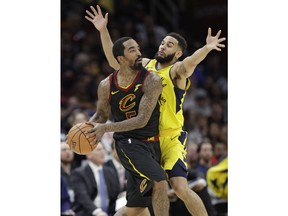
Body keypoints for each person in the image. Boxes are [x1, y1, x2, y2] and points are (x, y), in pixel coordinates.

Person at [85, 4, 225, 215]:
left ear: (177, 53)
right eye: (162, 42)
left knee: (179, 188)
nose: (162, 46)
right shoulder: (146, 66)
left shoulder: (176, 72)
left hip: (170, 138)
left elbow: (189, 64)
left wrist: (205, 49)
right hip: (146, 139)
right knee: (139, 203)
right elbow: (116, 62)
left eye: (169, 45)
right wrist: (103, 30)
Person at [84, 36, 169, 216]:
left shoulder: (151, 80)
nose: (139, 53)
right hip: (128, 143)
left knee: (136, 208)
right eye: (132, 50)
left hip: (153, 144)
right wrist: (85, 130)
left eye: (138, 48)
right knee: (160, 181)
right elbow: (101, 115)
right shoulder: (106, 85)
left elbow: (142, 120)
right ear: (120, 59)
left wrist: (105, 128)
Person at [71, 142, 120, 216]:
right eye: (98, 150)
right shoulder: (79, 173)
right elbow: (82, 197)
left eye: (103, 149)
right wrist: (97, 212)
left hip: (109, 212)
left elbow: (115, 194)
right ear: (89, 155)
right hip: (88, 212)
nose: (102, 152)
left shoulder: (110, 171)